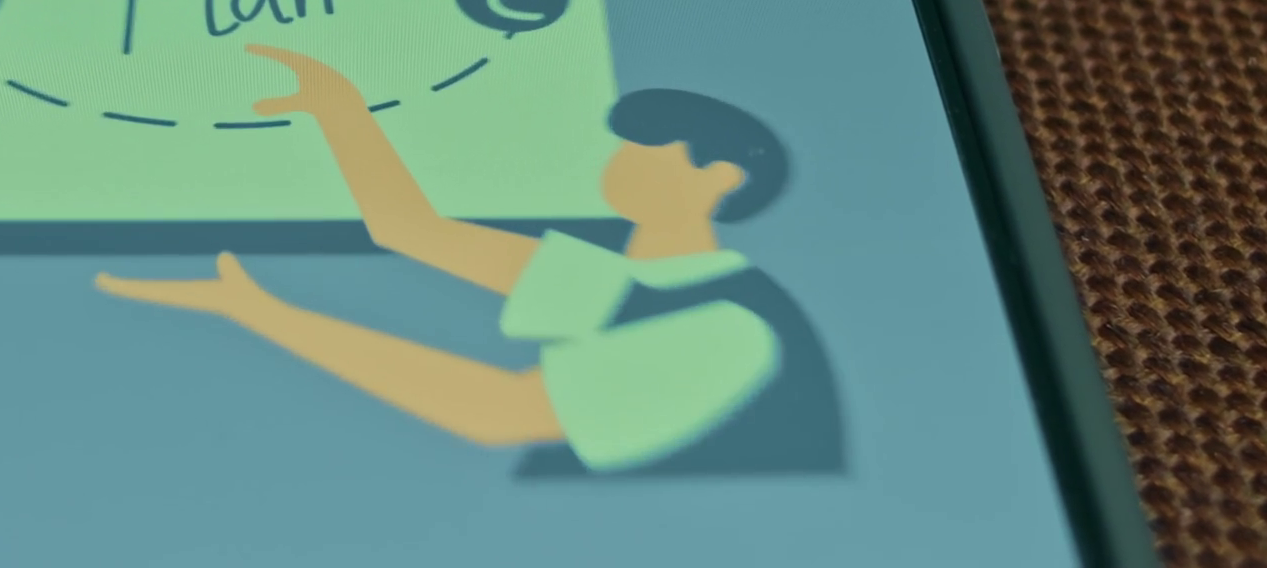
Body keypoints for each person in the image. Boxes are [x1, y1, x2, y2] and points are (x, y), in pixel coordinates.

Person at [97, 44, 843, 476]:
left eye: (651, 148)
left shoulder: (730, 326)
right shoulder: (623, 283)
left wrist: (262, 313)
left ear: (720, 177)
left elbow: (499, 412)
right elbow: (409, 228)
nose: (625, 159)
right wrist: (340, 111)